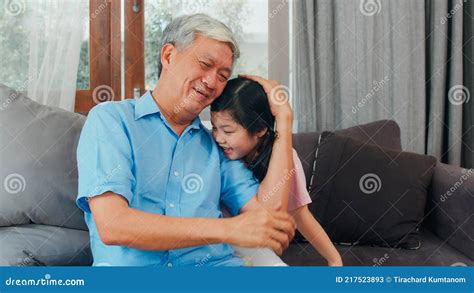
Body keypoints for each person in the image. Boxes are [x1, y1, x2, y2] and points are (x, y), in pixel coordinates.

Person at [75, 14, 296, 267]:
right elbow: (114, 226)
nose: (212, 81)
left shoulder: (217, 143)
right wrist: (227, 229)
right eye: (205, 64)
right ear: (169, 56)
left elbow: (269, 217)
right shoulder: (112, 120)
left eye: (223, 76)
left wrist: (284, 121)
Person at [210, 76, 343, 266]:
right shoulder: (215, 155)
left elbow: (301, 214)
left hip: (254, 249)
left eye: (228, 131)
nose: (219, 138)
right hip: (217, 248)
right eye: (215, 128)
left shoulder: (284, 158)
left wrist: (334, 258)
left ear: (261, 129)